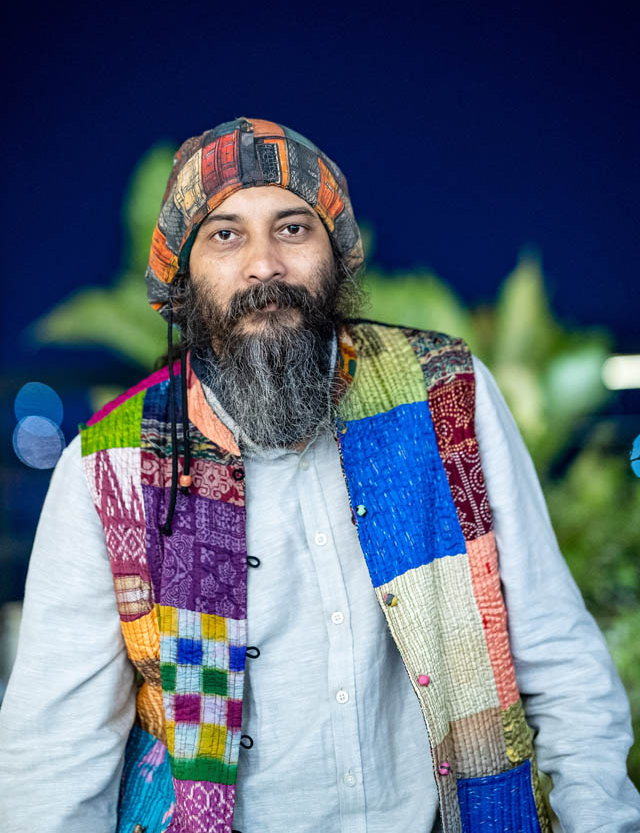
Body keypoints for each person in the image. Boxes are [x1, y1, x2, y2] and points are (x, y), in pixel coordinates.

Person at [0, 116, 638, 833]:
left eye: (293, 228)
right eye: (226, 234)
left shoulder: (445, 396)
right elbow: (56, 757)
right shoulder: (111, 467)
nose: (264, 264)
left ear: (337, 255)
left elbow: (559, 655)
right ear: (181, 278)